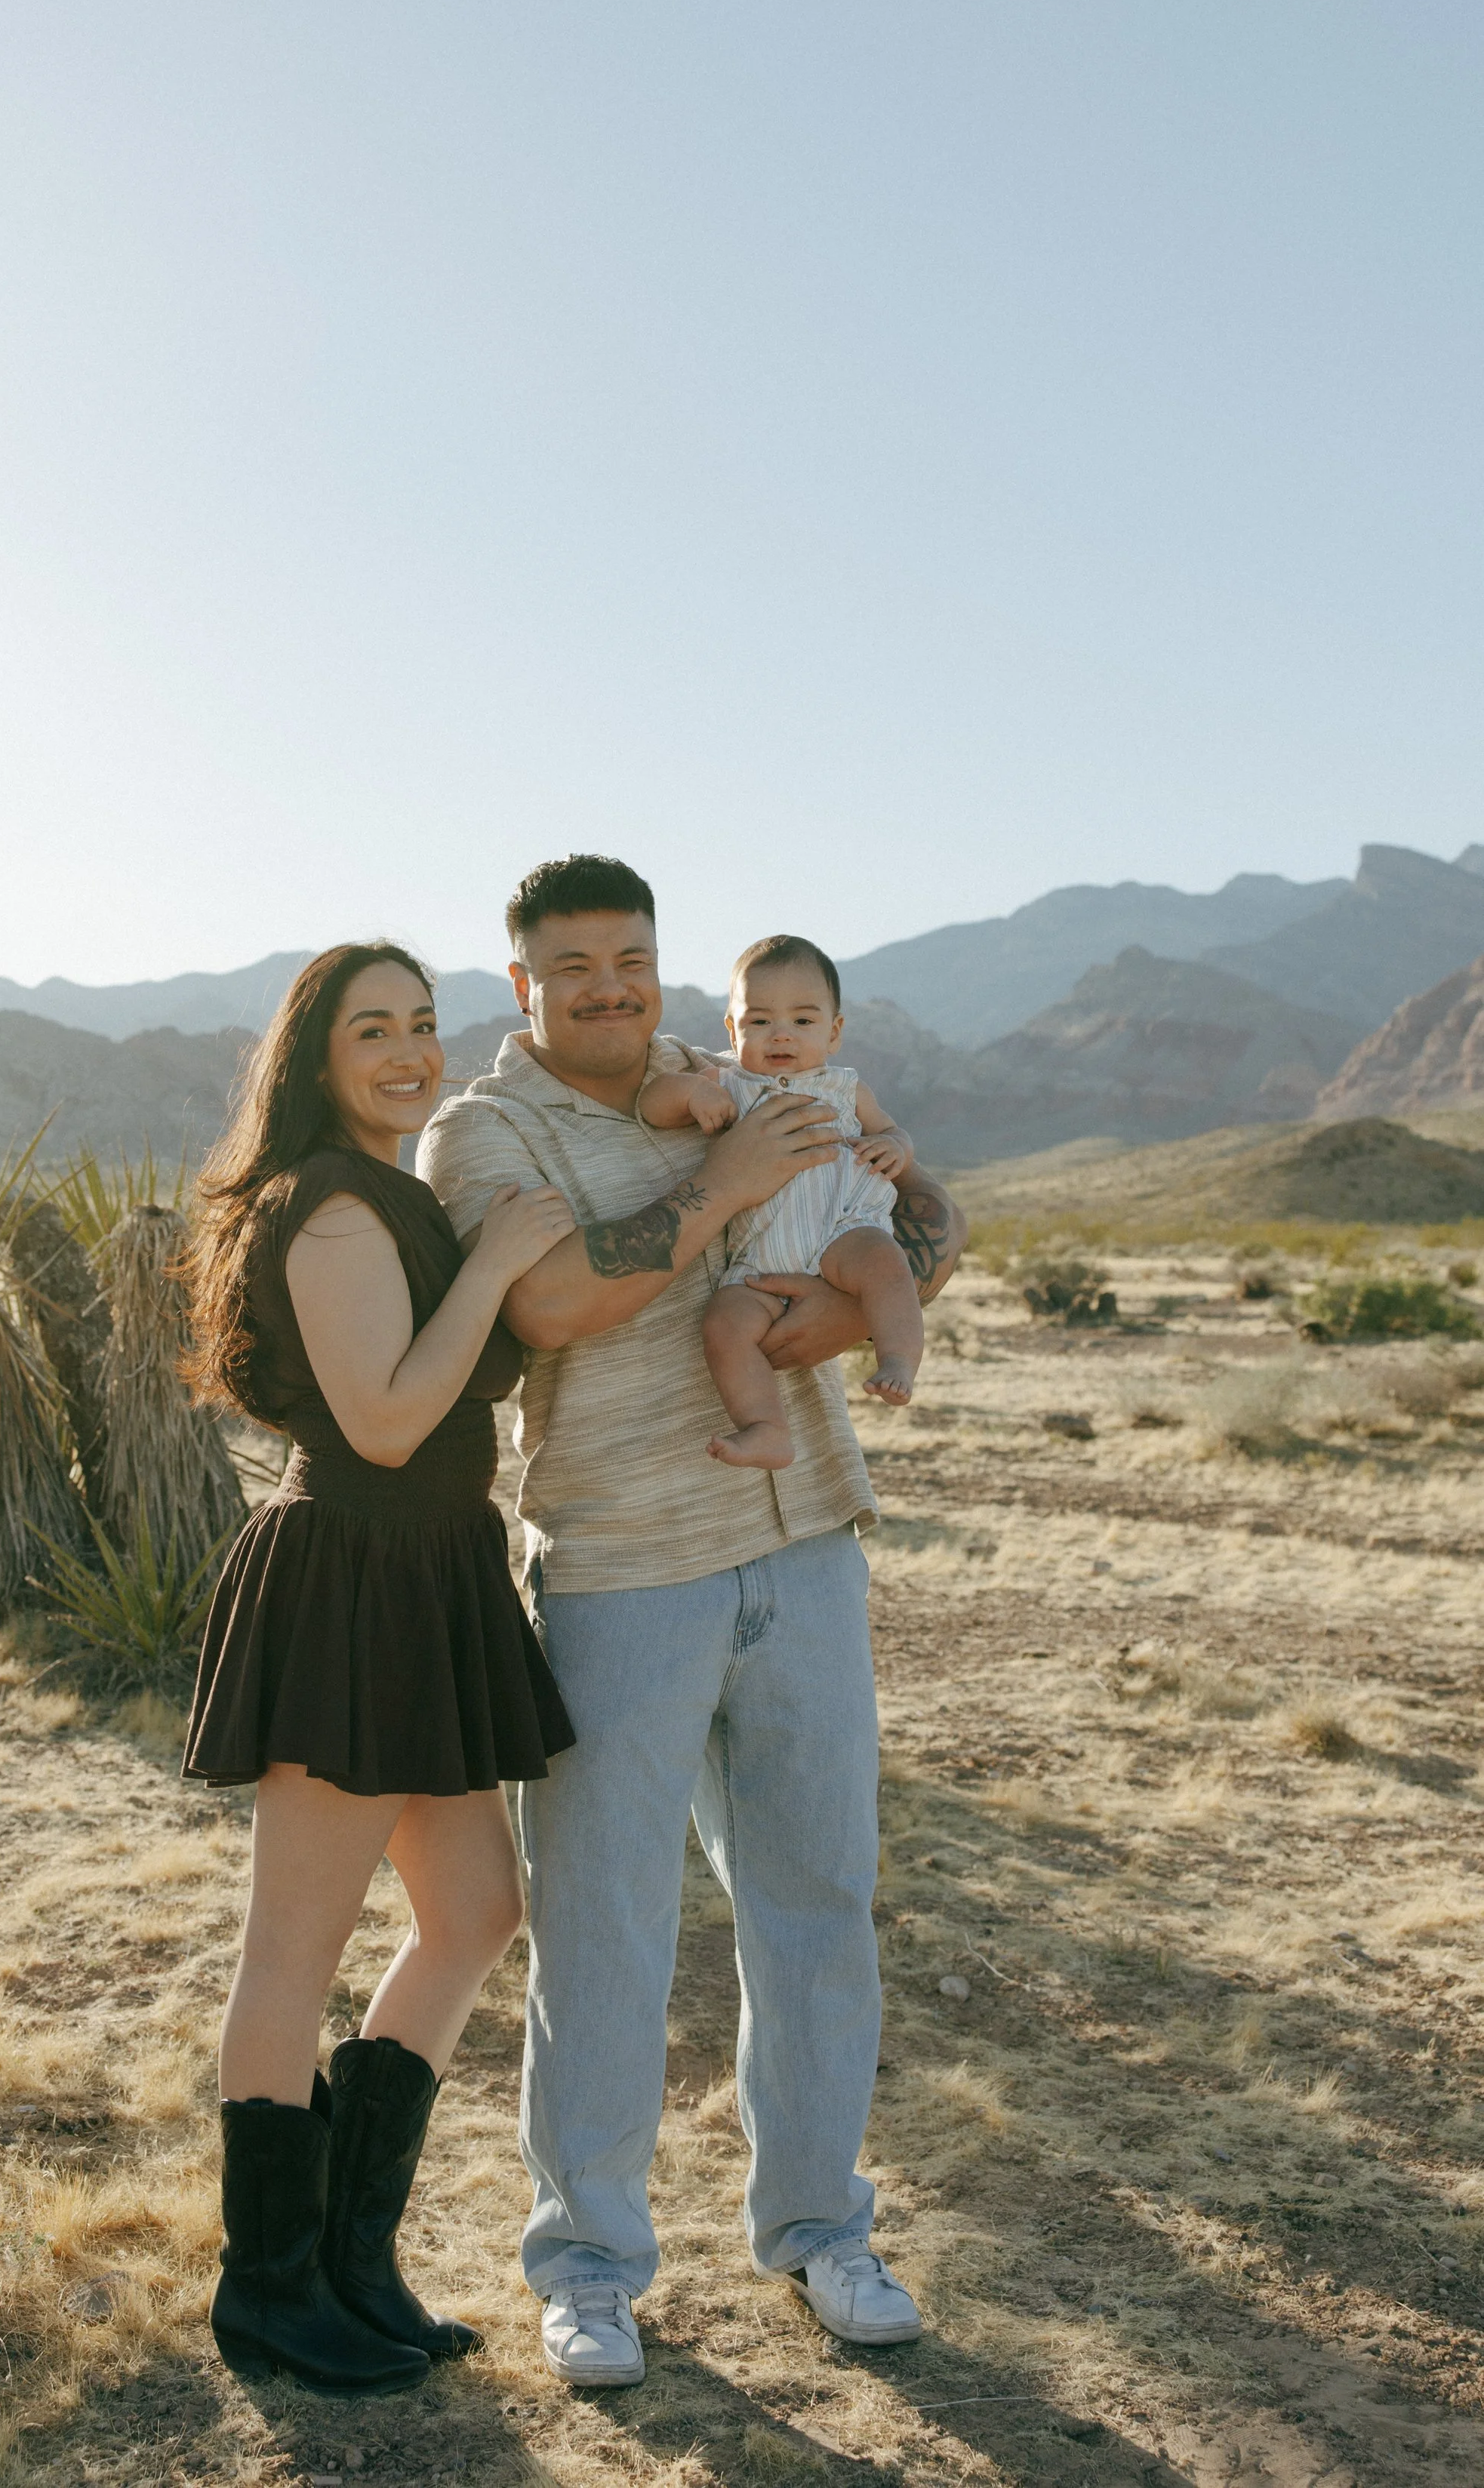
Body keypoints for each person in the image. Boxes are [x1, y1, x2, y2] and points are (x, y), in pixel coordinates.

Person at [418, 859, 965, 2389]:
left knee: (817, 1901)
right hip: (617, 1565)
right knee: (600, 1924)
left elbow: (919, 1220)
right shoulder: (489, 1130)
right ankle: (587, 2266)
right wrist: (718, 1199)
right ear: (520, 982)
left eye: (632, 956)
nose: (608, 983)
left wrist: (876, 1269)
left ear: (662, 969)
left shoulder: (724, 1072)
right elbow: (548, 1311)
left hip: (800, 1547)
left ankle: (818, 2230)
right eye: (573, 963)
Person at [179, 942, 577, 2394]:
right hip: (351, 1579)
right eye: (373, 1030)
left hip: (429, 1583)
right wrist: (490, 1270)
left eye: (423, 1023)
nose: (410, 1051)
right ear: (316, 1054)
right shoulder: (335, 1211)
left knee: (473, 1909)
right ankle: (267, 2288)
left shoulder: (394, 1192)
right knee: (293, 1950)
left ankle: (351, 2259)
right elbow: (393, 1422)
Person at [637, 932, 924, 1466]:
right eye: (760, 1021)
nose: (781, 1035)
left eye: (803, 1021)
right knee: (724, 1324)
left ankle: (899, 1359)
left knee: (886, 1264)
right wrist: (691, 1094)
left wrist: (893, 1147)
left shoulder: (845, 1088)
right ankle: (766, 1426)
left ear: (834, 1032)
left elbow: (896, 1133)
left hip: (844, 1232)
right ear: (732, 1027)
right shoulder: (729, 1081)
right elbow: (653, 1106)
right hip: (760, 1258)